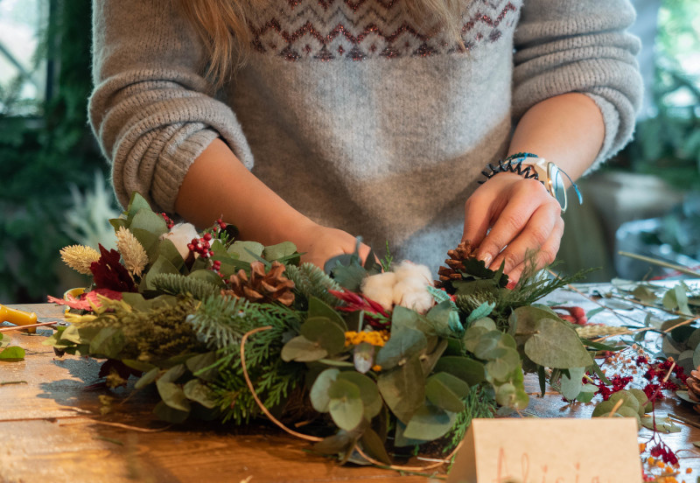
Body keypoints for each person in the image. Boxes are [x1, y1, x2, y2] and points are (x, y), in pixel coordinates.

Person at [89, 0, 642, 283]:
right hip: (249, 307)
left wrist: (534, 172)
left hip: (486, 304)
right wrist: (296, 239)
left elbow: (586, 61)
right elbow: (150, 101)